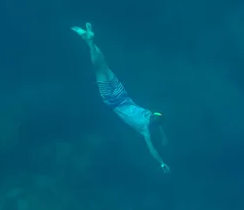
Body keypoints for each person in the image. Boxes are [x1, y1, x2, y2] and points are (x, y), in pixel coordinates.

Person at [72, 22, 171, 173]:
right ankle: (89, 40)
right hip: (118, 98)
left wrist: (162, 155)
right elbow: (156, 131)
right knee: (101, 67)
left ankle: (89, 39)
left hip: (117, 98)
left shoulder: (147, 123)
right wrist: (163, 147)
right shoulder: (148, 123)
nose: (156, 116)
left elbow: (155, 138)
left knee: (101, 68)